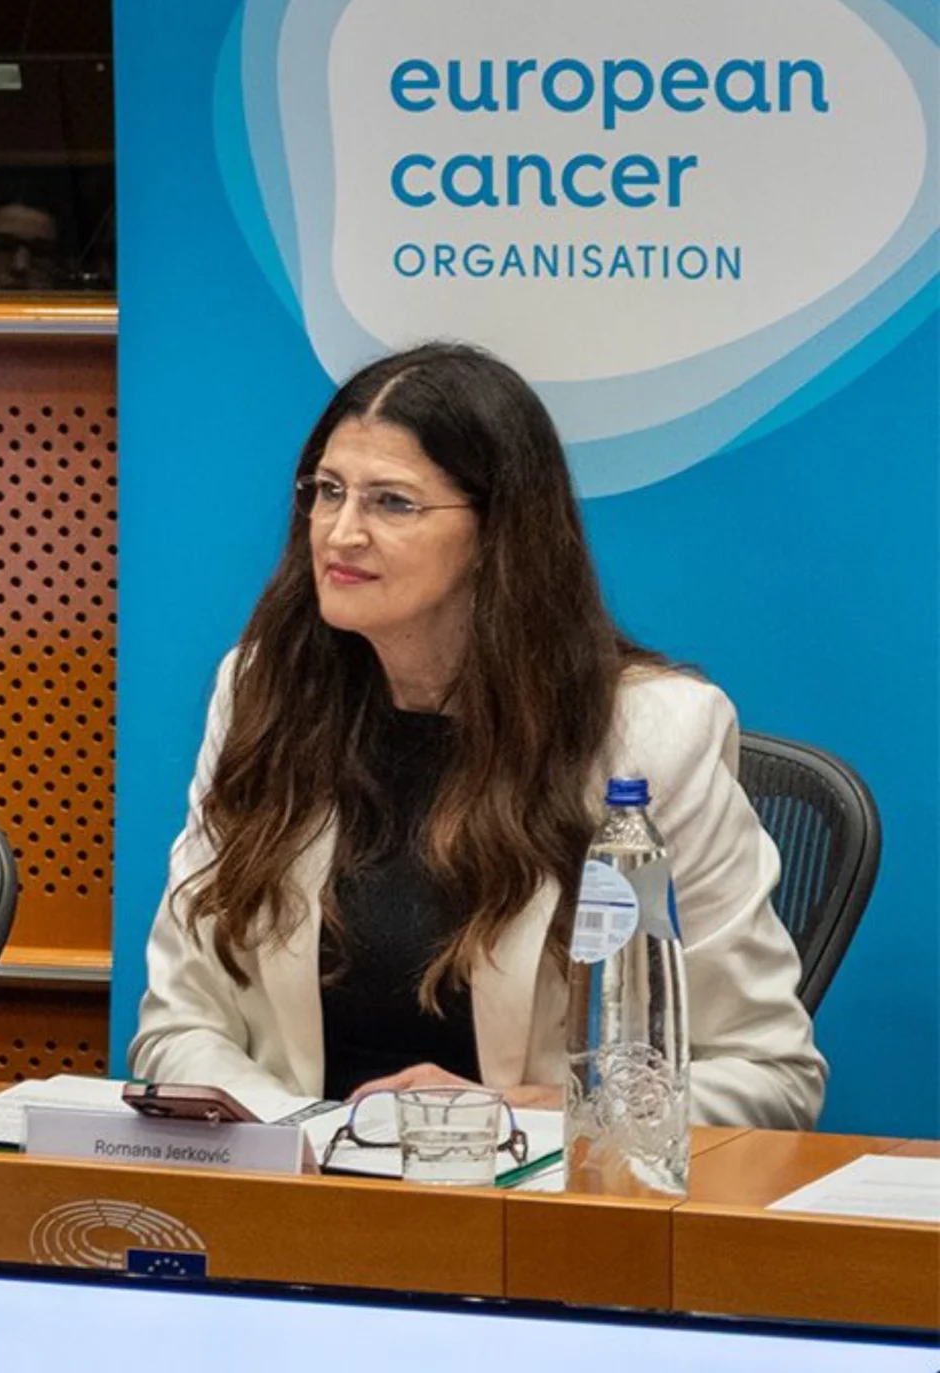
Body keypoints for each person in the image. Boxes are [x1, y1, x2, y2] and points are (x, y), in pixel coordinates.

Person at [130, 342, 824, 1129]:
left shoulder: (651, 737)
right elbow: (178, 1024)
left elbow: (770, 1076)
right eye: (328, 491)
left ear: (497, 534)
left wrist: (529, 1116)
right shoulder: (264, 693)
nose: (341, 533)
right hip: (305, 1183)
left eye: (393, 502)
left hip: (529, 1191)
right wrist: (307, 1134)